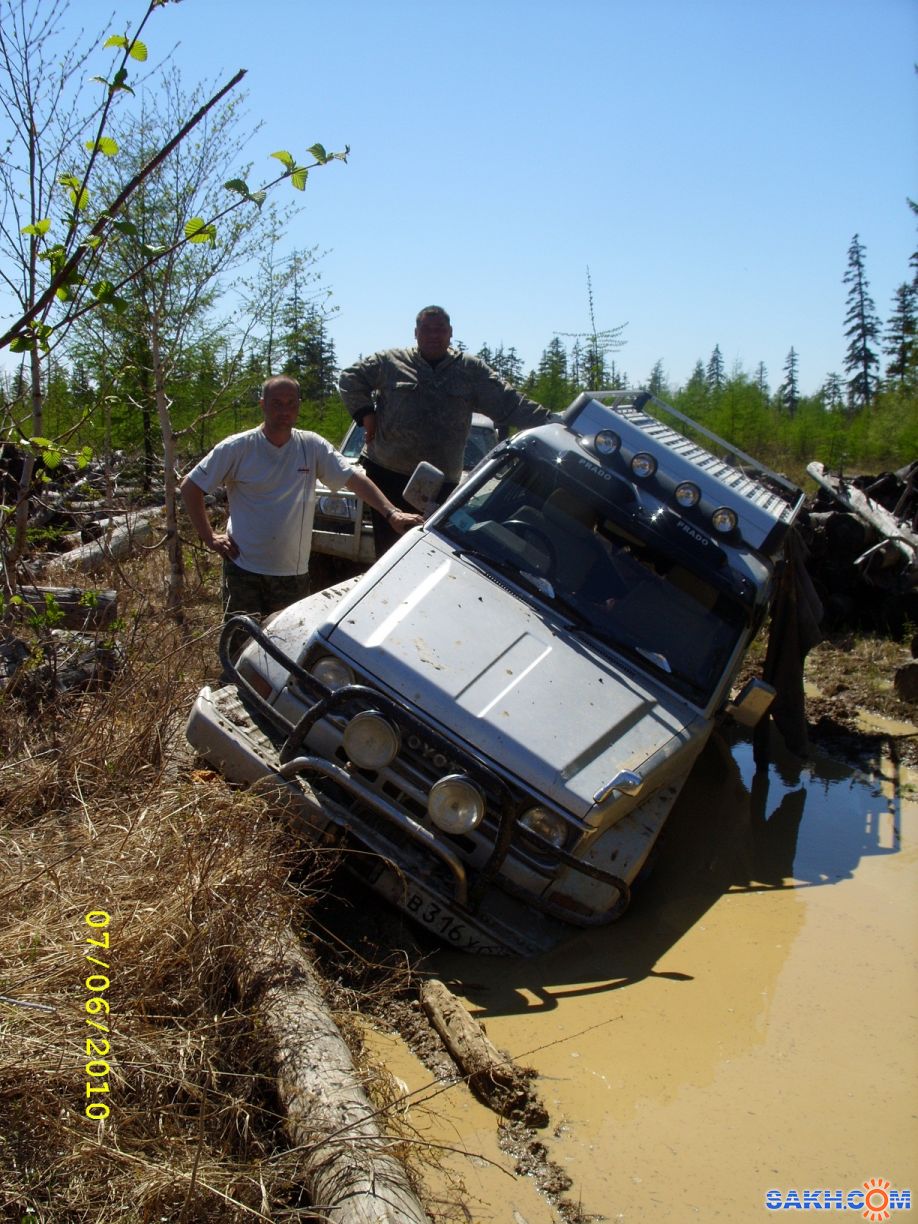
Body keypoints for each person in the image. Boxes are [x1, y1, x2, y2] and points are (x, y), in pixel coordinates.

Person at [181, 374, 423, 619]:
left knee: (284, 645)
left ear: (298, 405)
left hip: (292, 572)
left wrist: (391, 512)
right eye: (276, 403)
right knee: (239, 642)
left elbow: (353, 478)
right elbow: (190, 487)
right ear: (262, 404)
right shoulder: (238, 448)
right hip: (244, 567)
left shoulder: (311, 446)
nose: (284, 410)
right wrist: (210, 537)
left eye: (291, 403)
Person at [338, 305, 558, 556]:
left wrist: (554, 422)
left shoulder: (469, 370)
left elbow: (510, 403)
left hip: (442, 483)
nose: (434, 335)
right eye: (426, 329)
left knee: (432, 550)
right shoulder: (389, 362)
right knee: (388, 551)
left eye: (440, 329)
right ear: (415, 333)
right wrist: (366, 414)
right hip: (388, 473)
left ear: (450, 333)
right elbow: (349, 379)